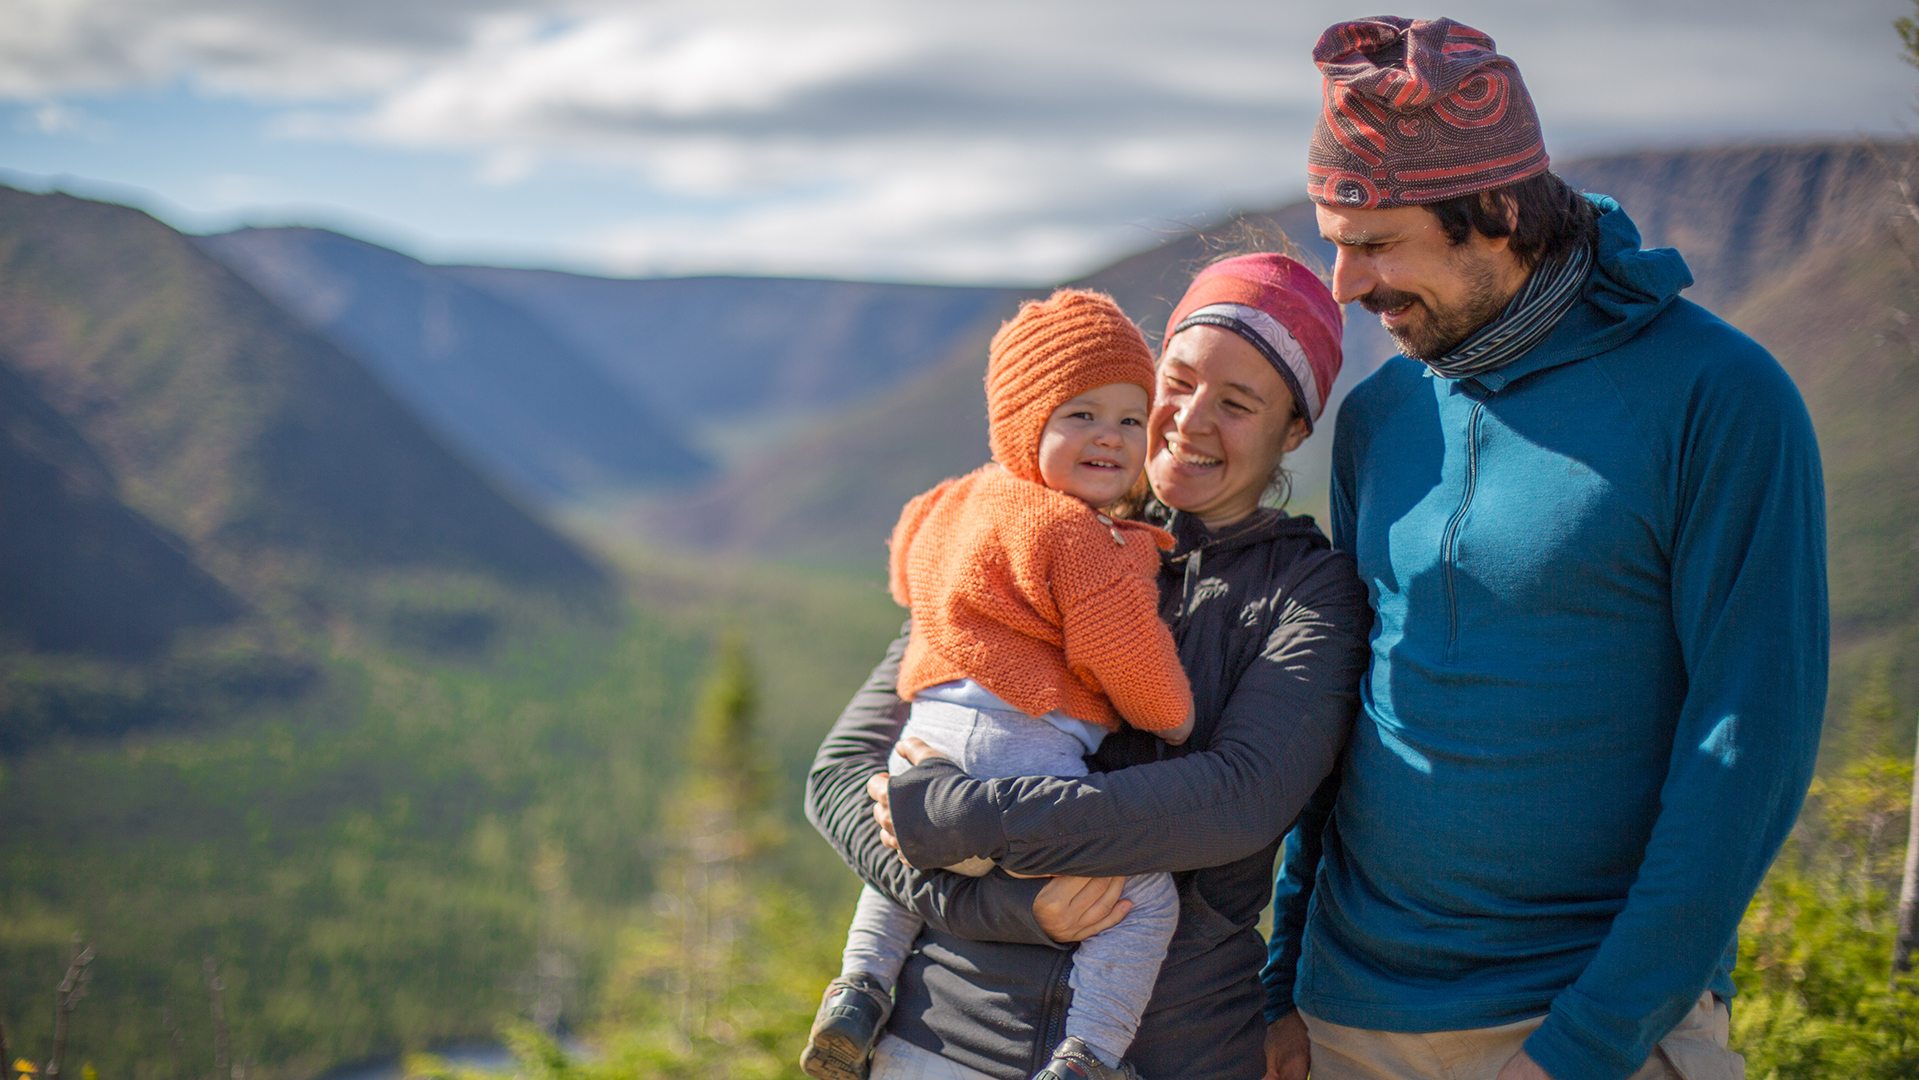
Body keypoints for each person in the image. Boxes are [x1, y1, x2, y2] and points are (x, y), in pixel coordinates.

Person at [1261, 17, 1828, 1080]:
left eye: (1376, 244)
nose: (1343, 284)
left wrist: (1589, 1042)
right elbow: (1344, 713)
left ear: (1499, 215)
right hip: (1345, 1020)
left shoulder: (1717, 396)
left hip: (1586, 1024)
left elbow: (1749, 739)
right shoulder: (1383, 413)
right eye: (1334, 241)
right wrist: (1281, 978)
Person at [805, 252, 1371, 1080]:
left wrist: (973, 817)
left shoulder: (1307, 591)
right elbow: (841, 773)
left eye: (1237, 403)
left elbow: (1239, 798)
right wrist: (1006, 905)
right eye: (1177, 382)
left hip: (1171, 1054)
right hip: (940, 1040)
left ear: (1292, 432)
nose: (1188, 420)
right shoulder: (1025, 529)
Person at [802, 288, 1195, 1080]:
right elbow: (1136, 669)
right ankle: (1089, 1053)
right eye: (1081, 414)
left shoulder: (948, 502)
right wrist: (1176, 720)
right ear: (1024, 422)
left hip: (924, 746)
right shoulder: (1080, 537)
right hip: (1022, 766)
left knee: (905, 845)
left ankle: (858, 989)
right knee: (1146, 897)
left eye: (1131, 418)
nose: (1111, 436)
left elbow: (906, 576)